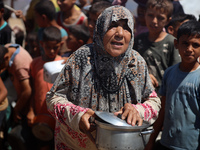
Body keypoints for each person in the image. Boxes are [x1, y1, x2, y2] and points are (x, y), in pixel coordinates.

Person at [46, 5, 161, 150]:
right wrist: (78, 115)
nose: (120, 33)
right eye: (113, 26)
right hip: (76, 145)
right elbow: (53, 97)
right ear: (100, 28)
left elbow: (154, 101)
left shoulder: (136, 62)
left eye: (126, 28)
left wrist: (138, 111)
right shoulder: (81, 58)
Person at [145, 20, 200, 150]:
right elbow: (163, 109)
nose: (189, 49)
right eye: (185, 43)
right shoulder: (169, 73)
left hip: (192, 146)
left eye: (195, 45)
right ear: (176, 44)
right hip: (166, 143)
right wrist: (151, 140)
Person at [133, 0, 181, 94]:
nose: (154, 21)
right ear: (144, 14)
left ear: (168, 20)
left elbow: (175, 72)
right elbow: (132, 65)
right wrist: (144, 75)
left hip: (163, 95)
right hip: (140, 93)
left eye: (160, 18)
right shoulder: (138, 40)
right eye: (150, 15)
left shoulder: (171, 42)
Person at [28, 26, 63, 149]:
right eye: (48, 47)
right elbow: (34, 90)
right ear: (42, 44)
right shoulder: (35, 63)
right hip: (40, 117)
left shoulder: (63, 64)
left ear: (61, 44)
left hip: (58, 120)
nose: (52, 51)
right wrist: (31, 110)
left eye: (56, 47)